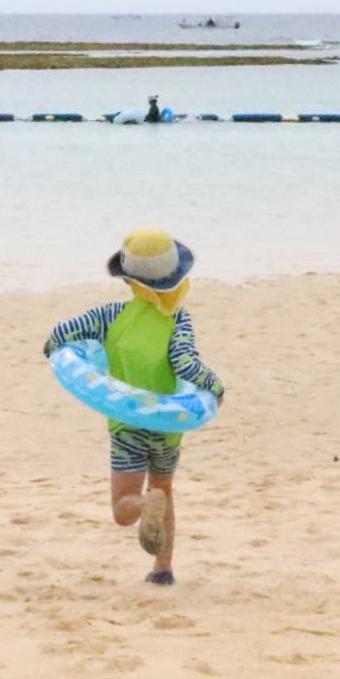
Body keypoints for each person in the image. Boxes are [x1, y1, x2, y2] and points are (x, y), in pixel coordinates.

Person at [43, 229, 225, 586]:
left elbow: (61, 333)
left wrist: (54, 350)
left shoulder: (110, 315)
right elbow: (186, 365)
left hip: (126, 425)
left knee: (123, 507)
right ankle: (163, 570)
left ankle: (144, 505)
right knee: (165, 487)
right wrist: (216, 388)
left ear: (129, 281)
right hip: (170, 426)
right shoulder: (179, 321)